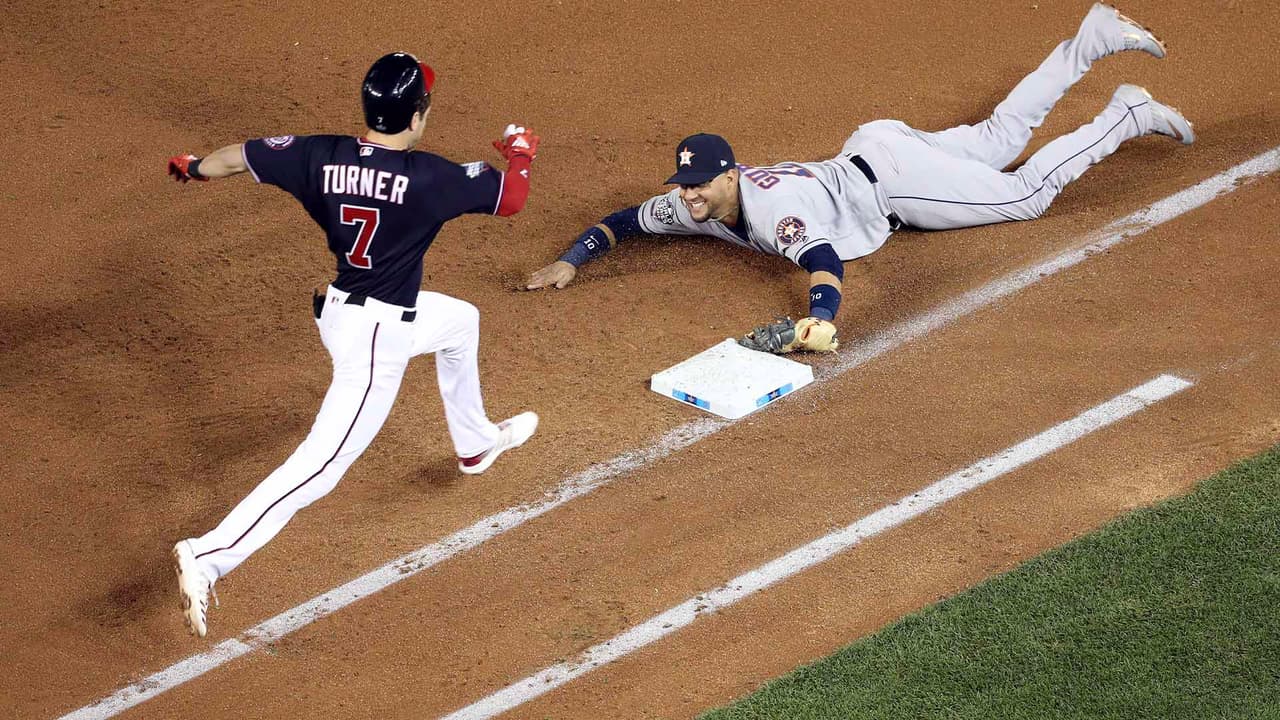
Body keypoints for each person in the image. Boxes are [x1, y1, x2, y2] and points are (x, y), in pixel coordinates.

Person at [526, 4, 1194, 352]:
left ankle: (1128, 113)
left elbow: (819, 260)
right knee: (999, 138)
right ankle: (1096, 36)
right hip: (876, 146)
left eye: (700, 185)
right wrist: (570, 260)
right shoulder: (691, 204)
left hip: (893, 183)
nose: (688, 195)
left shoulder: (770, 208)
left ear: (732, 176)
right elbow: (623, 222)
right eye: (684, 185)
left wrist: (818, 321)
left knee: (1025, 193)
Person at [165, 52, 541, 637]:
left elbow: (237, 157)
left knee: (459, 320)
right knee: (321, 465)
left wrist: (193, 168)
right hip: (375, 342)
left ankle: (476, 444)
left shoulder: (318, 153)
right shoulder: (431, 178)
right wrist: (519, 152)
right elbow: (512, 197)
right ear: (417, 116)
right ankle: (209, 556)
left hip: (343, 312)